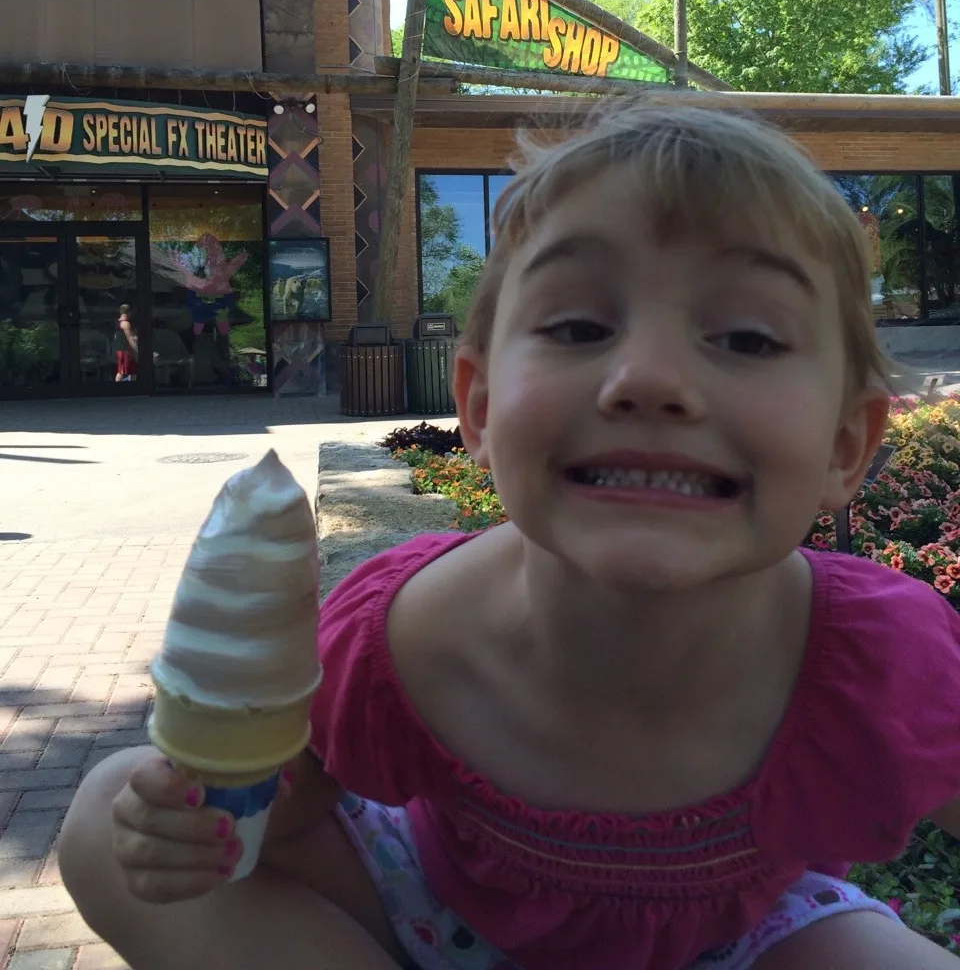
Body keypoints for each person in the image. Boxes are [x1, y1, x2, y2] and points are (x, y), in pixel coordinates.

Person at [59, 101, 960, 970]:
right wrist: (196, 831)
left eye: (750, 338)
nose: (648, 379)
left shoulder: (886, 660)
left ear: (847, 444)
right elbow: (291, 813)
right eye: (578, 326)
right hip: (430, 912)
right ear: (480, 409)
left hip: (744, 943)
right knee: (105, 812)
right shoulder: (403, 634)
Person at [113, 304, 138, 383]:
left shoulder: (117, 322)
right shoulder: (125, 324)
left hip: (123, 350)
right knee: (122, 371)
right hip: (124, 351)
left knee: (133, 371)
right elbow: (130, 338)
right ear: (129, 312)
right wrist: (137, 350)